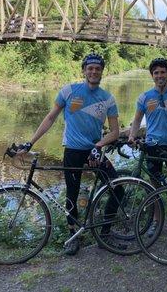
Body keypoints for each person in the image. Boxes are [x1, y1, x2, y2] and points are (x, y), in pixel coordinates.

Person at [19, 53, 120, 255]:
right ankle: (73, 235)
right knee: (72, 194)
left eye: (97, 69)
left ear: (102, 72)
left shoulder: (108, 98)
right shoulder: (68, 91)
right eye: (90, 68)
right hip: (73, 151)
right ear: (84, 71)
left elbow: (115, 131)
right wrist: (29, 143)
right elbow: (50, 118)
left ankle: (105, 232)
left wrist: (98, 145)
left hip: (94, 151)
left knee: (118, 188)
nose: (93, 72)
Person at [128, 58, 167, 235]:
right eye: (156, 73)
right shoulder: (145, 97)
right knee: (154, 186)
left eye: (163, 72)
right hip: (152, 146)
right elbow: (137, 120)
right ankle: (156, 221)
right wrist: (132, 136)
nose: (160, 75)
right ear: (152, 76)